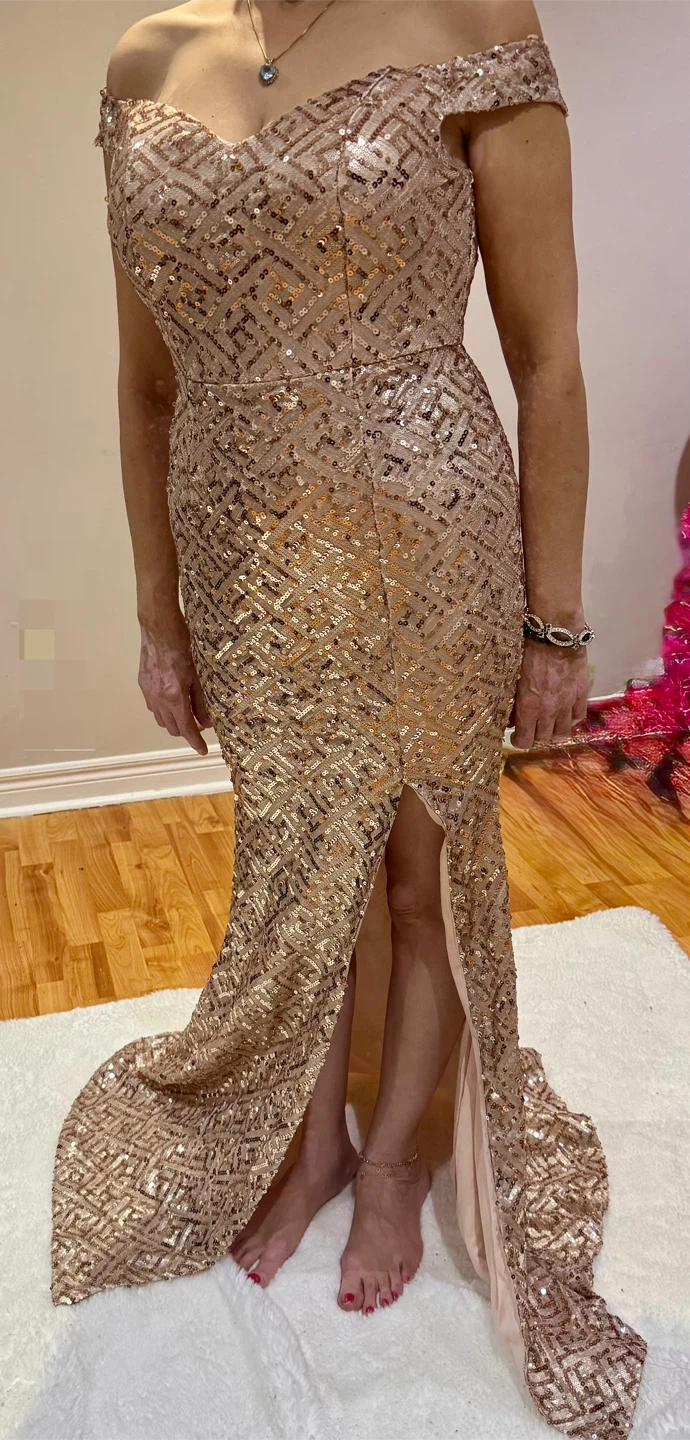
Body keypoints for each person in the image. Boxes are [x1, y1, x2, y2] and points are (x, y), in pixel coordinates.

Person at [51, 1, 646, 1434]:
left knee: (421, 879)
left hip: (425, 528)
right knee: (290, 867)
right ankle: (308, 1142)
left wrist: (556, 618)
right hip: (242, 546)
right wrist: (157, 609)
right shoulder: (146, 58)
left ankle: (391, 1166)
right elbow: (145, 386)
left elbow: (547, 356)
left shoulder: (470, 17)